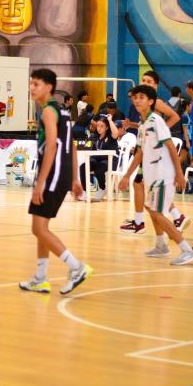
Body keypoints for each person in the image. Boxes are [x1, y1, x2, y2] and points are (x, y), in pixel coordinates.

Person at [18, 68, 92, 295]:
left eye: (36, 84)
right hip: (62, 175)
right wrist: (75, 178)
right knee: (40, 228)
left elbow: (51, 146)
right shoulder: (63, 111)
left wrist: (40, 183)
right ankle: (40, 278)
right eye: (31, 83)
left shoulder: (49, 112)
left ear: (49, 87)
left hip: (52, 176)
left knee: (39, 229)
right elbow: (72, 146)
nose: (32, 88)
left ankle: (76, 267)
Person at [118, 85, 193, 265]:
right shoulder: (143, 124)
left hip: (163, 175)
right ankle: (161, 245)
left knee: (158, 213)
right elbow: (140, 153)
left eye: (142, 97)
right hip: (152, 176)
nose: (137, 100)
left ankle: (187, 249)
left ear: (151, 101)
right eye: (135, 97)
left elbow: (171, 147)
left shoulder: (156, 121)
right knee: (150, 208)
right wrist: (127, 175)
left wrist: (179, 174)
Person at [120, 71, 188, 233]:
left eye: (149, 81)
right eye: (143, 80)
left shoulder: (156, 102)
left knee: (141, 184)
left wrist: (161, 131)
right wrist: (132, 125)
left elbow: (175, 117)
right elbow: (146, 127)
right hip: (147, 149)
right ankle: (175, 217)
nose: (145, 83)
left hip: (154, 152)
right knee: (149, 188)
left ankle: (141, 223)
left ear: (156, 85)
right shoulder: (144, 105)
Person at [80, 115, 119, 196]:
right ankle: (85, 191)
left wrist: (110, 120)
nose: (99, 128)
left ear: (107, 127)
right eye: (98, 126)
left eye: (102, 126)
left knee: (99, 168)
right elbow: (86, 146)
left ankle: (102, 188)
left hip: (110, 161)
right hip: (97, 160)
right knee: (83, 166)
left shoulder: (111, 136)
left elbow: (116, 133)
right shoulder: (94, 137)